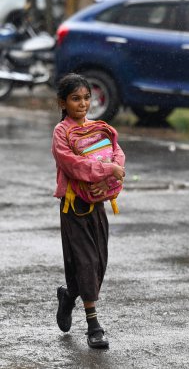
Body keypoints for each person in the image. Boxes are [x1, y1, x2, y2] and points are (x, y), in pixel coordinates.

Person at [51, 73, 125, 349]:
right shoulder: (62, 132)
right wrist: (107, 169)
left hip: (98, 205)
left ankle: (69, 295)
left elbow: (117, 152)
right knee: (85, 262)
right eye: (75, 99)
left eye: (86, 98)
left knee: (98, 263)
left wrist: (114, 172)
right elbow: (73, 165)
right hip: (74, 207)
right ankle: (94, 325)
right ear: (63, 102)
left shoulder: (99, 128)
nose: (82, 104)